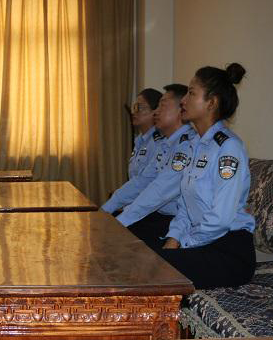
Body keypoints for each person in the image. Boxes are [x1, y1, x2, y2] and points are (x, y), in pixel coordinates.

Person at [155, 63, 255, 289]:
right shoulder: (195, 146)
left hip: (229, 251)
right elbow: (185, 207)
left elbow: (221, 218)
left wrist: (185, 244)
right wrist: (173, 240)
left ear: (212, 102)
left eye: (191, 93)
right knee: (145, 256)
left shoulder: (229, 148)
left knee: (152, 267)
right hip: (202, 242)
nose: (183, 100)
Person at [116, 84, 192, 248]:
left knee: (122, 242)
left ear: (181, 110)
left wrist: (120, 220)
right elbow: (141, 181)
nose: (156, 112)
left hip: (172, 220)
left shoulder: (187, 146)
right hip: (159, 214)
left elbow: (158, 191)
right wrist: (110, 211)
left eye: (162, 105)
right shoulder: (166, 144)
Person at [102, 88, 163, 214]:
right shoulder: (140, 141)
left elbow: (145, 182)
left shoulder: (158, 143)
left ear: (155, 112)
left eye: (139, 107)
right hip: (135, 206)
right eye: (134, 107)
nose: (134, 112)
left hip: (151, 210)